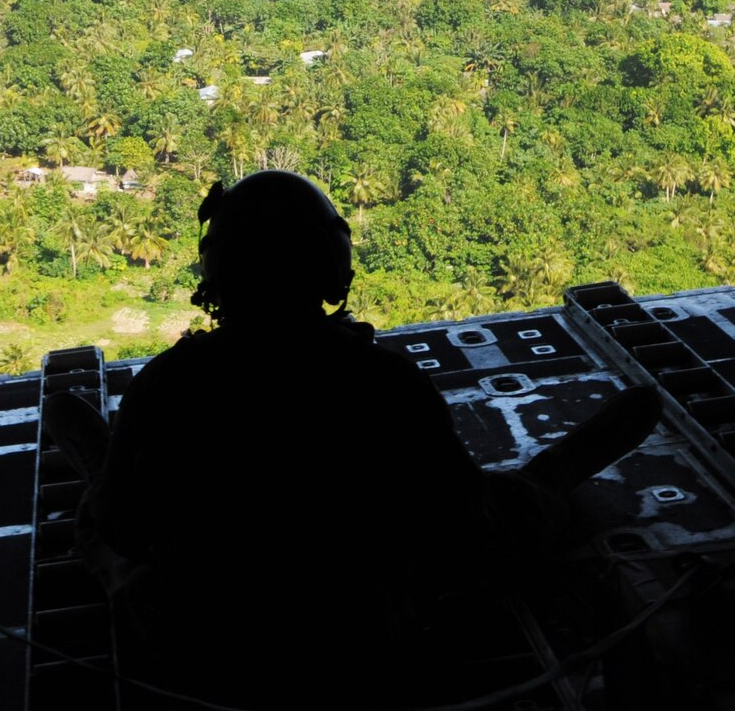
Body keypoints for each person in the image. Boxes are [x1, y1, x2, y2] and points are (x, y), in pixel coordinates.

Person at [44, 170, 660, 706]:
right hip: (364, 641)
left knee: (103, 524)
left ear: (219, 270)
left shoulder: (167, 388)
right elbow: (459, 526)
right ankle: (554, 476)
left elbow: (124, 528)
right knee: (510, 511)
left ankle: (99, 459)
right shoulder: (387, 386)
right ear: (330, 267)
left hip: (202, 647)